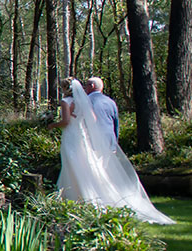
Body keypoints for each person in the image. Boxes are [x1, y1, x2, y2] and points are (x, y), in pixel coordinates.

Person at [50, 77, 173, 224]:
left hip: (72, 136)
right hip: (84, 136)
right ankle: (83, 195)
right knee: (87, 166)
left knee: (72, 164)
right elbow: (94, 119)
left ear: (65, 88)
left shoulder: (66, 102)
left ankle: (74, 196)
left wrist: (51, 125)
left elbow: (65, 121)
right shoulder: (86, 101)